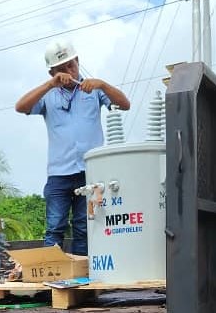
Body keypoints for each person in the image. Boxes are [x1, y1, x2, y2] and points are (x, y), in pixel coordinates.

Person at [15, 39, 130, 256]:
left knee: (84, 227)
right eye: (61, 69)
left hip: (90, 172)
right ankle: (53, 276)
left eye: (71, 65)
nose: (69, 71)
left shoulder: (94, 90)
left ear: (78, 61)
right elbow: (20, 107)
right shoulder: (48, 94)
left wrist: (103, 85)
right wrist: (50, 85)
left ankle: (83, 279)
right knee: (55, 226)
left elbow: (125, 104)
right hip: (59, 174)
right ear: (52, 73)